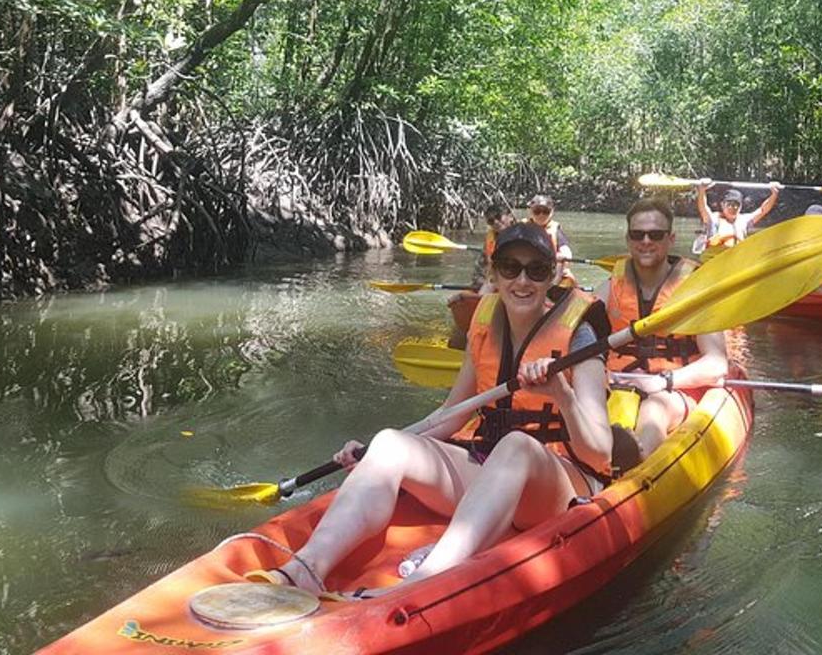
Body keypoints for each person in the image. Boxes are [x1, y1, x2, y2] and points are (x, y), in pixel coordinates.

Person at [249, 223, 613, 597]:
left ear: (552, 274)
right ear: (494, 272)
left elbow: (600, 452)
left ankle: (424, 582)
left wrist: (563, 396)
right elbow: (451, 414)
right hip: (492, 471)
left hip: (559, 485)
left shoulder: (579, 334)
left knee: (517, 445)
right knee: (391, 443)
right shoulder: (485, 323)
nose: (523, 280)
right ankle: (307, 567)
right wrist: (373, 451)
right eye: (510, 267)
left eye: (536, 270)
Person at [597, 198, 730, 460]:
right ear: (628, 239)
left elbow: (717, 364)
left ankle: (632, 468)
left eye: (655, 235)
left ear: (671, 238)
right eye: (638, 234)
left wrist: (662, 381)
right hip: (618, 383)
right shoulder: (609, 289)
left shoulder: (695, 291)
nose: (646, 241)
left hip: (674, 389)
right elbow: (578, 345)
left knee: (655, 409)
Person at [447, 204, 516, 349]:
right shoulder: (490, 239)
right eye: (491, 221)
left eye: (498, 217)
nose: (496, 223)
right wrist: (477, 290)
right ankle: (462, 348)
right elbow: (481, 268)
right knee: (463, 305)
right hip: (493, 284)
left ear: (509, 216)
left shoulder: (523, 234)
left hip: (515, 286)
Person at [695, 180, 782, 249]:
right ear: (722, 205)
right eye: (729, 204)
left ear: (741, 207)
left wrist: (774, 194)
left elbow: (763, 210)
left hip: (736, 259)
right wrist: (701, 191)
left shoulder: (744, 220)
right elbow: (703, 208)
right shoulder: (714, 218)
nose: (733, 208)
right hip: (716, 259)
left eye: (737, 205)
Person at [526, 193, 575, 286]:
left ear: (552, 212)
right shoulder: (522, 228)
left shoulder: (555, 230)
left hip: (551, 272)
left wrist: (562, 256)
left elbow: (566, 251)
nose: (541, 215)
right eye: (537, 211)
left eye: (545, 211)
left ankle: (553, 285)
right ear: (530, 211)